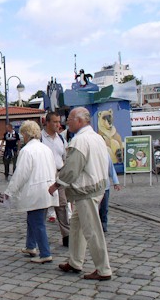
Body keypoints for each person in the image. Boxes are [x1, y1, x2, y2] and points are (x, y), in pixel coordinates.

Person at [48, 107, 112, 281]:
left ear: (79, 121)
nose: (66, 122)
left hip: (86, 190)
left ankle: (103, 269)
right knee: (76, 226)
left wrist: (57, 184)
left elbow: (71, 169)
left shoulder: (80, 140)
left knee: (92, 231)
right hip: (95, 187)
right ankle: (75, 261)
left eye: (69, 119)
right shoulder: (97, 137)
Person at [2, 120, 58, 264]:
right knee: (33, 220)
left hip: (35, 191)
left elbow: (21, 174)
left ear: (26, 134)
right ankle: (30, 246)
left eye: (23, 134)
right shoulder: (46, 149)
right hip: (47, 189)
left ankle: (45, 253)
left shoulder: (27, 151)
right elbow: (53, 168)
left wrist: (10, 191)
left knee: (37, 222)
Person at [40, 111, 70, 247]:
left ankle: (67, 235)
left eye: (59, 122)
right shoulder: (40, 138)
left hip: (59, 174)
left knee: (62, 206)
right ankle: (40, 236)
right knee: (43, 206)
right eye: (55, 122)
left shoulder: (61, 139)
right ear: (47, 122)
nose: (58, 124)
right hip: (44, 175)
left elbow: (65, 157)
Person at [99, 156, 122, 232]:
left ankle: (104, 223)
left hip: (105, 185)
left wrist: (116, 182)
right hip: (94, 185)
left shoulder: (106, 154)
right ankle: (97, 223)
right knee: (95, 207)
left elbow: (111, 168)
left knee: (104, 207)